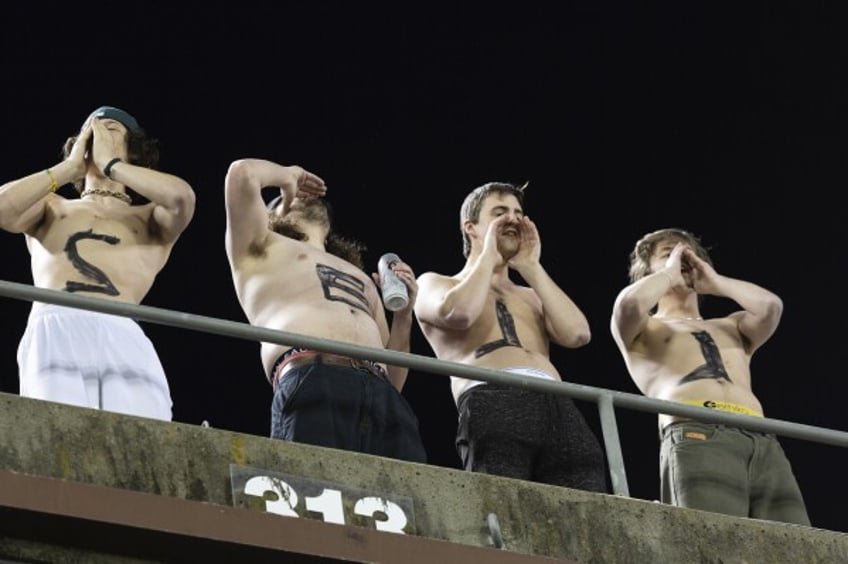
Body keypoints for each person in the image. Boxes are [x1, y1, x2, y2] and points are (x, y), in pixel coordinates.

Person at [223, 158, 426, 463]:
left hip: (380, 392)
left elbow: (393, 376)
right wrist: (287, 176)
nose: (301, 197)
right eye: (284, 200)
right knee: (315, 492)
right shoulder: (261, 246)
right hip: (312, 372)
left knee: (407, 495)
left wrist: (404, 316)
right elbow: (241, 174)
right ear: (267, 217)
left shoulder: (360, 275)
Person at [0, 105, 196, 421]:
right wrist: (67, 168)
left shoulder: (147, 217)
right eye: (90, 130)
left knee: (140, 438)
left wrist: (112, 165)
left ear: (135, 149)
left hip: (122, 329)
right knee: (57, 434)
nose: (99, 132)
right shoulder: (53, 206)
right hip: (56, 320)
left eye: (111, 129)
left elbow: (182, 198)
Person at [414, 181, 608, 492]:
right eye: (500, 213)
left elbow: (578, 334)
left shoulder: (531, 294)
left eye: (519, 213)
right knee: (503, 504)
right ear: (471, 228)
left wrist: (531, 267)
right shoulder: (437, 282)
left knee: (584, 499)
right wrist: (488, 256)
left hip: (557, 404)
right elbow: (459, 314)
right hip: (492, 394)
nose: (513, 220)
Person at [610, 227, 810, 525]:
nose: (683, 257)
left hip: (760, 437)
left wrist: (715, 282)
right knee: (714, 541)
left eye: (690, 253)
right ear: (649, 269)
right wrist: (668, 273)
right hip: (698, 431)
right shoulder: (646, 328)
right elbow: (628, 304)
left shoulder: (731, 325)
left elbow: (771, 307)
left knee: (800, 545)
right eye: (670, 252)